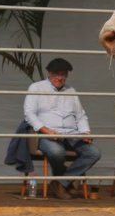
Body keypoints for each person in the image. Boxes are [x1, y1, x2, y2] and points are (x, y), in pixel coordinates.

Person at [24, 58, 101, 200]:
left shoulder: (71, 90)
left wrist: (85, 132)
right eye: (56, 75)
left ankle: (60, 183)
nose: (60, 78)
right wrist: (45, 130)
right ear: (49, 73)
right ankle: (65, 184)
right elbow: (29, 113)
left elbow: (81, 115)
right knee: (56, 152)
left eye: (63, 75)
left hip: (72, 134)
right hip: (47, 135)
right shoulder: (36, 88)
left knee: (93, 153)